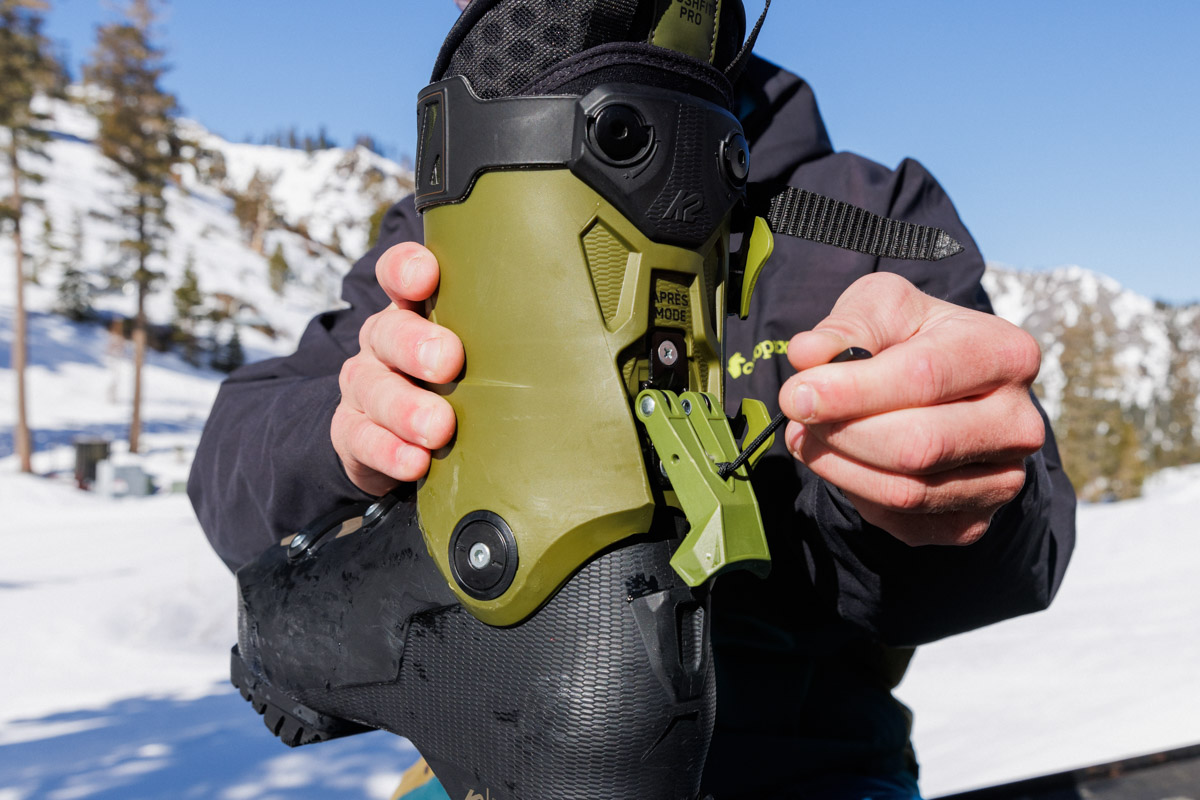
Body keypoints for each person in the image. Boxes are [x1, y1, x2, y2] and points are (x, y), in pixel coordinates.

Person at [189, 3, 1076, 798]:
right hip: (493, 748)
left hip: (810, 758)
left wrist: (952, 480)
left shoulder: (863, 219)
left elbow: (1029, 545)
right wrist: (348, 430)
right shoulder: (455, 220)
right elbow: (232, 464)